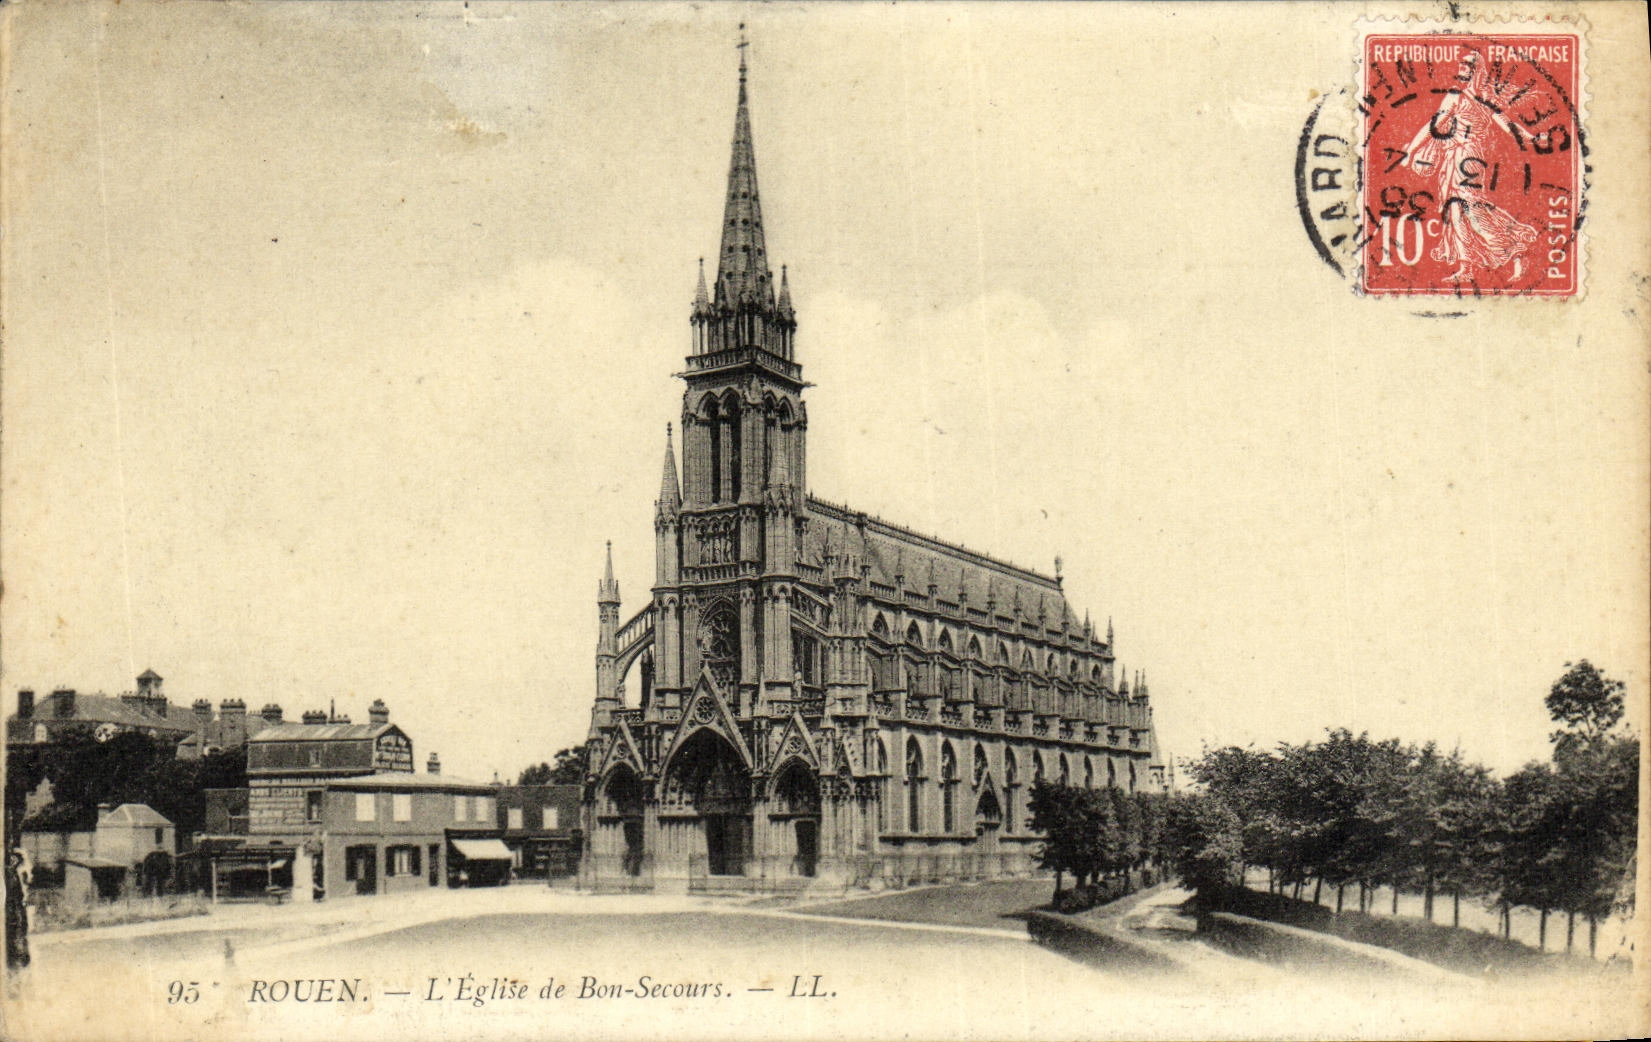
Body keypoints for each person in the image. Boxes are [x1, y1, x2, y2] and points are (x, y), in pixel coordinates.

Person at [1399, 49, 1539, 282]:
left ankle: (1516, 250)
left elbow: (1506, 124)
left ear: (1477, 71)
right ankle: (1467, 268)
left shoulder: (1476, 98)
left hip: (1470, 159)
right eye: (1461, 66)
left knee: (1473, 210)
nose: (1461, 71)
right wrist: (1411, 150)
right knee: (1454, 211)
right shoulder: (1460, 96)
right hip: (1454, 157)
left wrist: (1531, 138)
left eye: (1466, 67)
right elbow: (1433, 125)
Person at [5, 848, 30, 970]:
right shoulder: (13, 872)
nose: (13, 861)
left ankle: (22, 956)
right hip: (16, 905)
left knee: (21, 929)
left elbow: (23, 889)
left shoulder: (18, 872)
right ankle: (19, 956)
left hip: (19, 904)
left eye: (16, 859)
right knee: (18, 930)